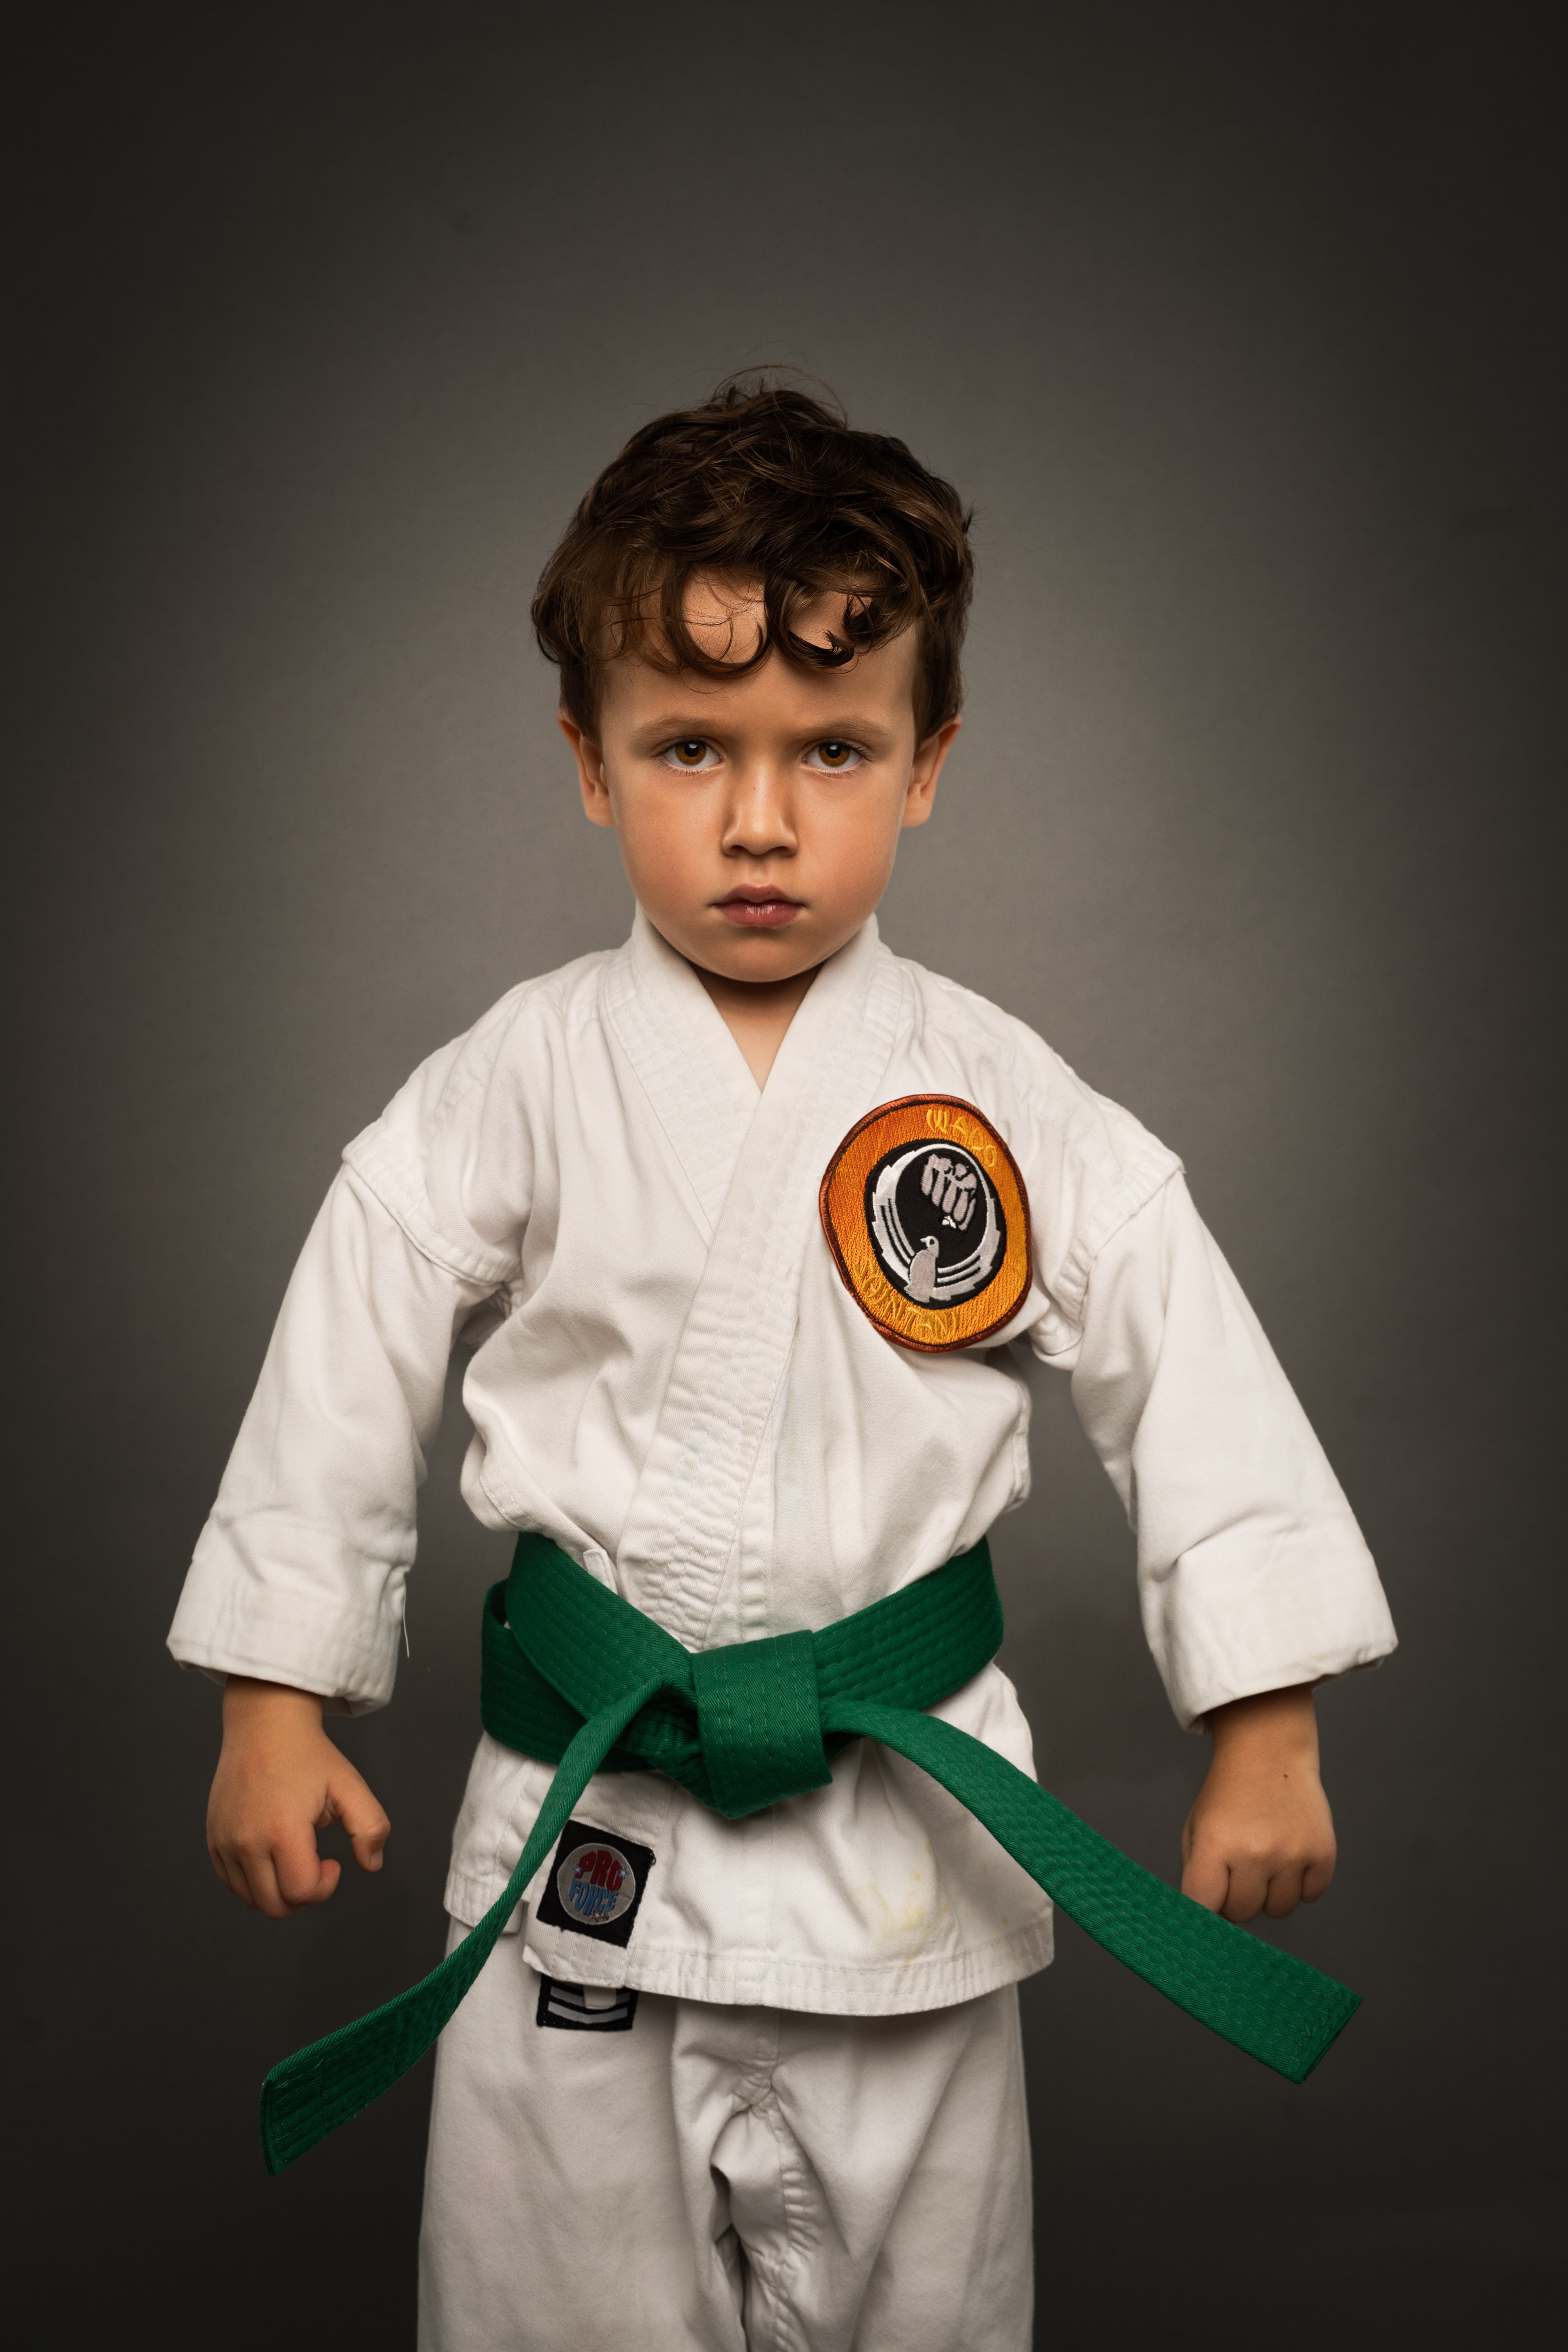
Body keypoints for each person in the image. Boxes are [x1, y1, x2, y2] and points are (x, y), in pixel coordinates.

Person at [170, 378, 1397, 2352]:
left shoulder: (996, 1097)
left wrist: (1260, 1724)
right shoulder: (523, 1072)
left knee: (929, 2319)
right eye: (690, 750)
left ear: (928, 762)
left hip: (896, 1869)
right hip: (589, 1843)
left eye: (832, 748)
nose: (761, 820)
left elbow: (1187, 1367)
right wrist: (271, 1692)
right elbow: (351, 1346)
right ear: (586, 761)